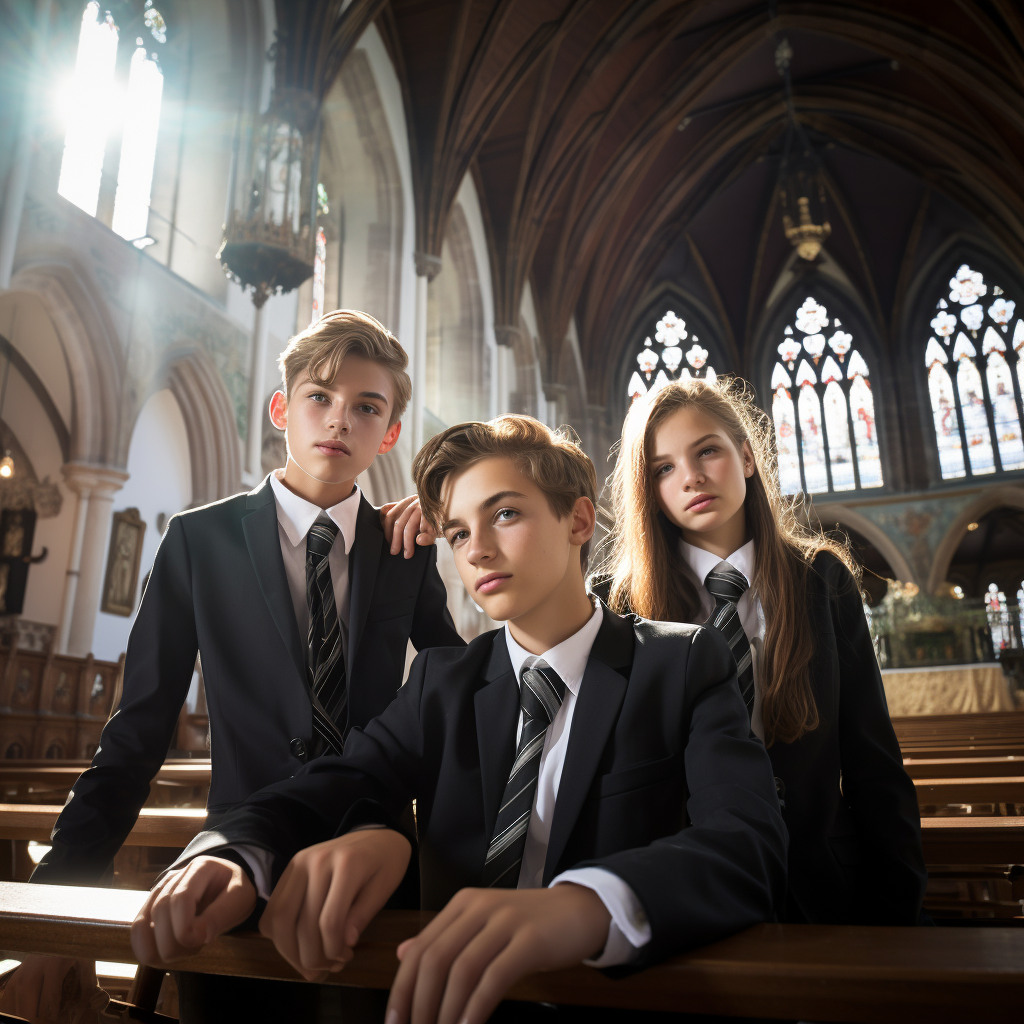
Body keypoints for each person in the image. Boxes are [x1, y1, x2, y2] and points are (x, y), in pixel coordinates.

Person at [130, 415, 788, 1024]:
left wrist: (586, 903)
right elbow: (331, 784)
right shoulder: (443, 682)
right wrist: (235, 855)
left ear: (579, 520)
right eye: (458, 532)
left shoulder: (679, 663)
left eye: (504, 514)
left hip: (610, 996)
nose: (476, 551)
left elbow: (745, 843)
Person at [3, 310, 464, 1023]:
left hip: (376, 873)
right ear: (282, 408)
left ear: (389, 433)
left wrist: (459, 532)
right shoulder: (199, 540)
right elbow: (137, 731)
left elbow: (459, 699)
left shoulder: (404, 548)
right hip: (237, 858)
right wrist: (54, 899)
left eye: (366, 407)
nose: (339, 421)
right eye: (320, 398)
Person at [594, 378, 926, 926]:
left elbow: (873, 761)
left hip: (822, 887)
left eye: (708, 451)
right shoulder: (618, 602)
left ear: (746, 456)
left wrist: (899, 910)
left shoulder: (821, 580)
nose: (692, 477)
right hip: (683, 894)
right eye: (663, 468)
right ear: (647, 489)